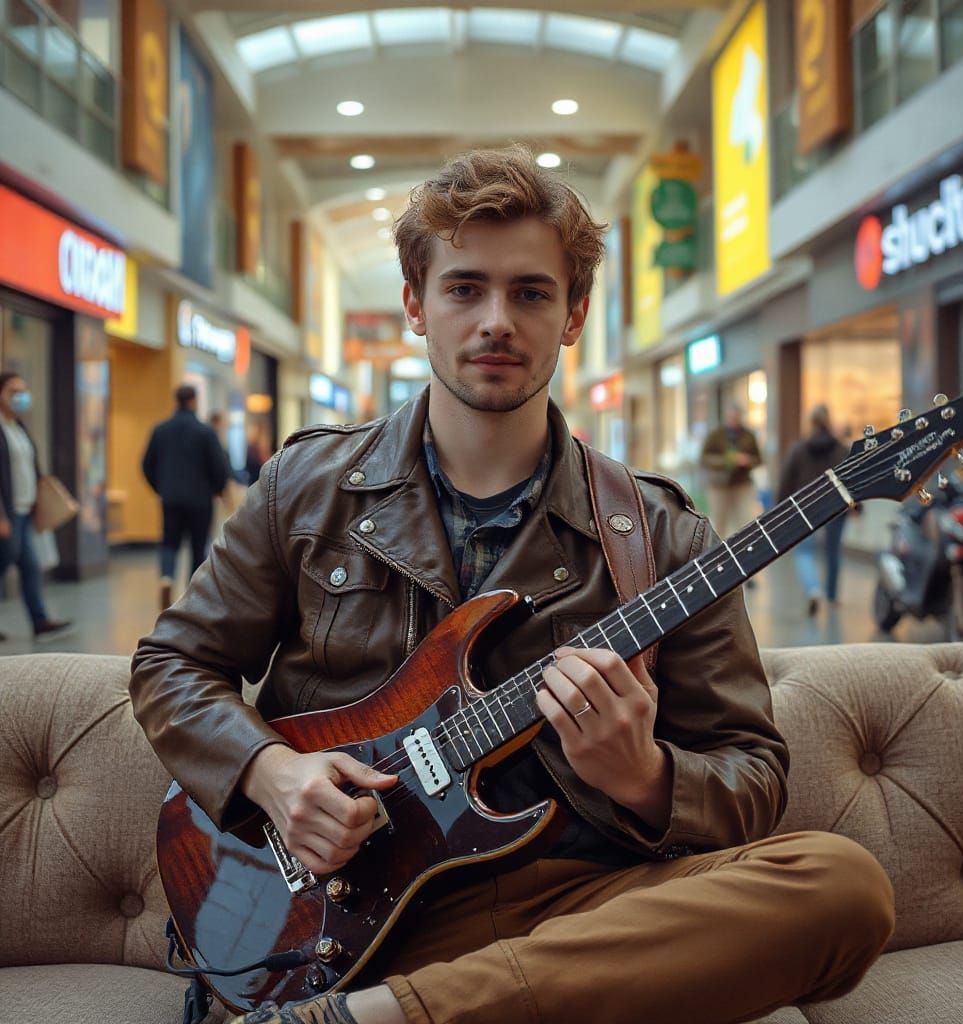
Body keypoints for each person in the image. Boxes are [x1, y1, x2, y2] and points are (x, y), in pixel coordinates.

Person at [130, 147, 893, 1024]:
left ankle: (376, 1018)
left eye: (532, 292)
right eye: (465, 288)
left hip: (580, 915)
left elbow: (753, 777)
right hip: (348, 910)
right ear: (416, 303)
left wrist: (644, 776)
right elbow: (170, 664)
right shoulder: (305, 490)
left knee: (841, 887)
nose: (497, 320)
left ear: (572, 316)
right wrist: (269, 773)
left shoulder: (665, 536)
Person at [0, 371, 75, 642]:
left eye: (23, 390)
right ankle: (40, 620)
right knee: (6, 562)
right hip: (8, 513)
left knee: (30, 566)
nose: (20, 396)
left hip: (24, 510)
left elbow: (28, 466)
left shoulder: (18, 427)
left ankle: (40, 622)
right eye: (13, 390)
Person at [142, 384, 229, 610]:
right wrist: (217, 489)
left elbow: (146, 464)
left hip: (170, 498)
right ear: (194, 401)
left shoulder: (160, 430)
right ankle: (193, 592)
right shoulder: (205, 431)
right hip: (200, 500)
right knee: (197, 545)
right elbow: (218, 466)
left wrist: (161, 488)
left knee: (169, 541)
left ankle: (166, 578)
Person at [777, 405, 851, 616]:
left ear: (811, 423)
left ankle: (813, 589)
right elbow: (852, 478)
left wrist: (780, 508)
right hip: (837, 506)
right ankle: (832, 595)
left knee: (804, 552)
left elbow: (786, 481)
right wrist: (858, 506)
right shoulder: (842, 449)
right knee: (833, 551)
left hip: (805, 507)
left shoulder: (798, 449)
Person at [699, 402, 762, 542]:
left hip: (742, 484)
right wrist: (726, 460)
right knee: (719, 522)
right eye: (731, 417)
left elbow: (758, 459)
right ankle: (717, 552)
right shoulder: (716, 435)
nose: (734, 420)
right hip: (719, 485)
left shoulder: (748, 435)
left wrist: (747, 461)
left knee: (745, 520)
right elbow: (704, 458)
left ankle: (746, 548)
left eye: (736, 417)